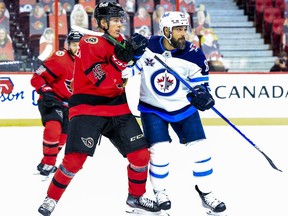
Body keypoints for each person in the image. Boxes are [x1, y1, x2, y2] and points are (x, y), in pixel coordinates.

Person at [37, 2, 161, 216]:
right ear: (102, 23)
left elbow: (125, 76)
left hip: (117, 107)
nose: (119, 24)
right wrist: (121, 59)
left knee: (140, 155)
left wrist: (136, 55)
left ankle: (135, 198)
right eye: (114, 20)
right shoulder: (88, 42)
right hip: (87, 108)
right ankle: (51, 199)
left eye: (120, 20)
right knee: (74, 161)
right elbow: (101, 80)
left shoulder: (121, 42)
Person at [122, 11, 227, 215]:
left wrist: (203, 96)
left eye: (184, 29)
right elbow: (127, 72)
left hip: (184, 109)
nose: (183, 33)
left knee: (201, 151)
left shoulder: (194, 54)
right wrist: (133, 55)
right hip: (153, 109)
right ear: (166, 30)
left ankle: (206, 193)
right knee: (160, 153)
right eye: (178, 29)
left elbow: (201, 86)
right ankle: (160, 192)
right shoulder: (149, 47)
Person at [31, 30, 84, 178]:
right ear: (68, 45)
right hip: (52, 99)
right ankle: (49, 163)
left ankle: (46, 163)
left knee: (64, 137)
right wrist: (45, 89)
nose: (77, 47)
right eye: (74, 44)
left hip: (71, 104)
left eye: (80, 44)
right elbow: (37, 77)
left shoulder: (87, 63)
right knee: (53, 128)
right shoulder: (60, 58)